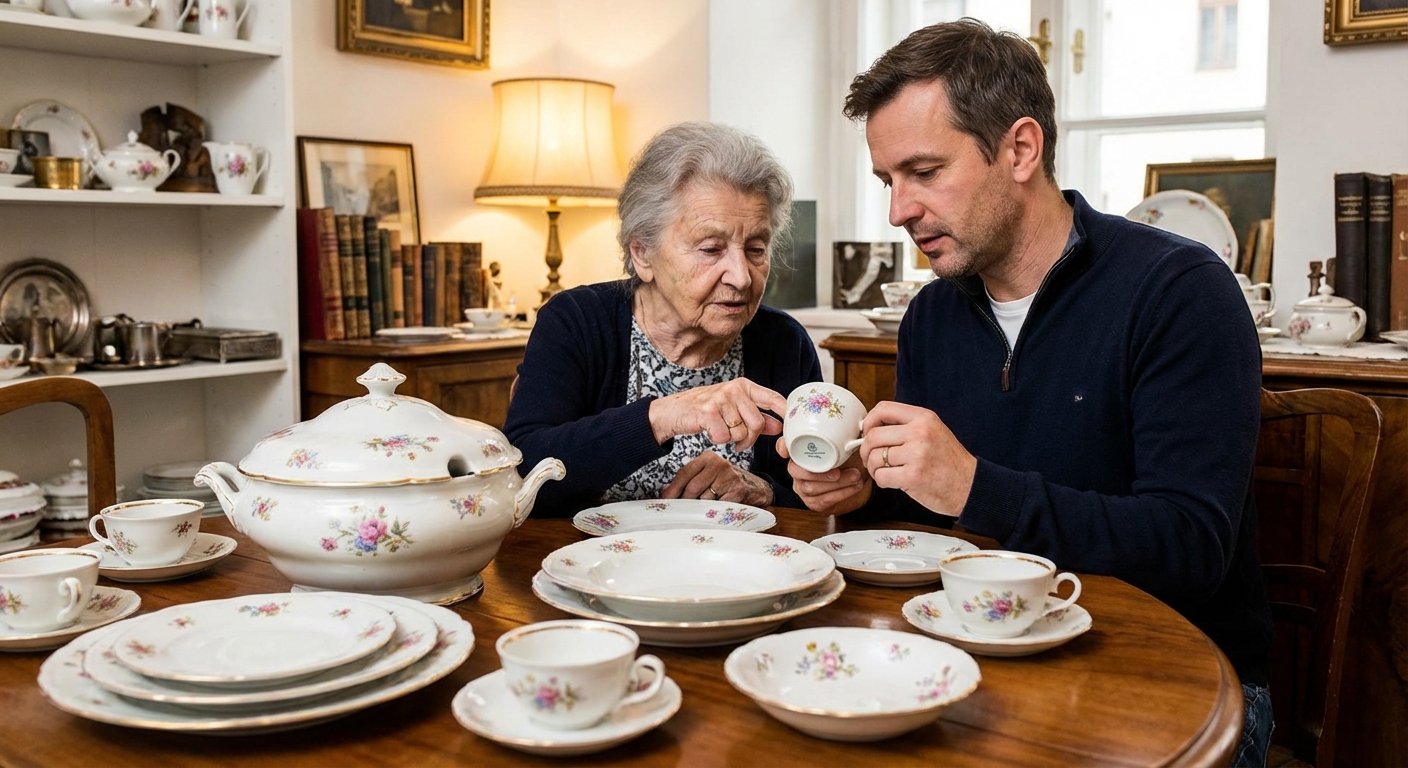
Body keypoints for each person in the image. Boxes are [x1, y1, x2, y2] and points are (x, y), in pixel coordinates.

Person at [782, 20, 1274, 766]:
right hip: (976, 663)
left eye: (924, 171)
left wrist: (974, 485)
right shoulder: (930, 314)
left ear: (1020, 149)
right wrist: (859, 491)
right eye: (888, 181)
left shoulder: (1179, 291)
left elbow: (1191, 549)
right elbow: (929, 523)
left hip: (1172, 679)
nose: (898, 211)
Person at [505, 121, 821, 515]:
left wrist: (763, 490)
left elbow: (819, 494)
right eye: (710, 249)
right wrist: (662, 416)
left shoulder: (783, 342)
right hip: (597, 567)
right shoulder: (576, 322)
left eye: (756, 249)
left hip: (739, 569)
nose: (741, 277)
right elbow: (520, 474)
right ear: (643, 254)